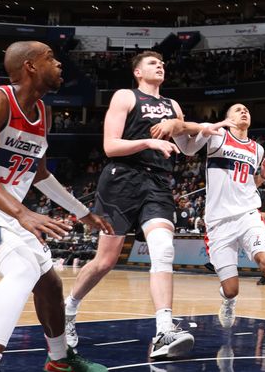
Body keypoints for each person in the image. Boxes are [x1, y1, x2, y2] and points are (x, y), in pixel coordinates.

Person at [64, 51, 195, 359]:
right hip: (121, 179)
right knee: (105, 261)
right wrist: (149, 141)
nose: (160, 65)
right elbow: (110, 145)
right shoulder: (126, 96)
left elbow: (187, 147)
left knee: (163, 249)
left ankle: (164, 329)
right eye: (152, 63)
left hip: (158, 183)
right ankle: (68, 311)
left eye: (163, 63)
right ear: (138, 72)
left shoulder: (173, 106)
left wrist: (202, 127)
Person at [0, 41, 111, 372]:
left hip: (9, 213)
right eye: (51, 58)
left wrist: (83, 212)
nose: (60, 64)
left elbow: (41, 174)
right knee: (23, 270)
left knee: (50, 282)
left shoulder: (43, 113)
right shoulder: (1, 100)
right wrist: (22, 212)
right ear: (31, 65)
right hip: (7, 213)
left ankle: (60, 361)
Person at [167, 103, 265, 351]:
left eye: (247, 110)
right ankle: (228, 301)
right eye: (237, 109)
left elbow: (248, 182)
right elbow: (186, 145)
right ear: (227, 118)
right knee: (231, 289)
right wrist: (189, 124)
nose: (244, 112)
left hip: (248, 215)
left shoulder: (258, 149)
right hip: (219, 222)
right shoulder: (217, 136)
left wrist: (263, 177)